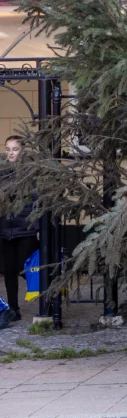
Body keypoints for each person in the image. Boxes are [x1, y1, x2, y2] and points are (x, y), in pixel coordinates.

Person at [0, 135, 37, 322]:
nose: (10, 153)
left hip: (26, 229)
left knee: (25, 269)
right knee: (9, 271)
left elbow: (38, 200)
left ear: (22, 151)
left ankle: (47, 300)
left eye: (14, 149)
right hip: (6, 231)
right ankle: (14, 309)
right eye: (8, 149)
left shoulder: (32, 173)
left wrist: (35, 224)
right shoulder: (2, 173)